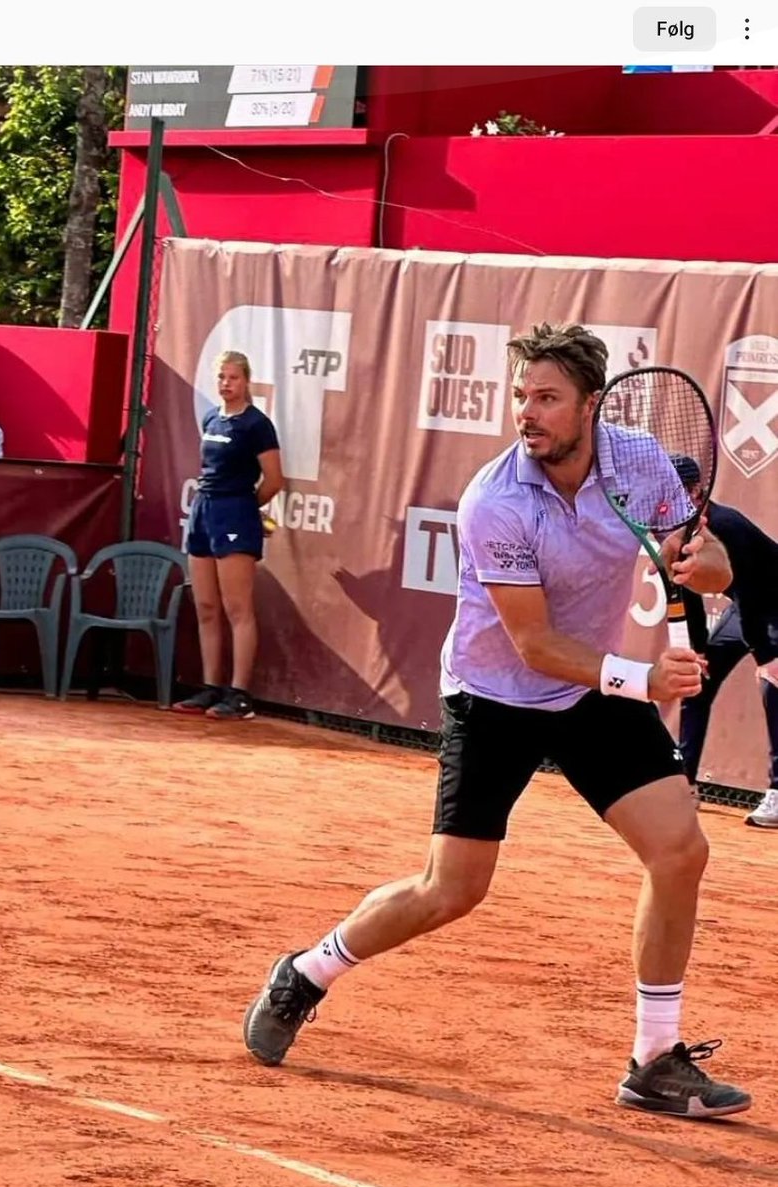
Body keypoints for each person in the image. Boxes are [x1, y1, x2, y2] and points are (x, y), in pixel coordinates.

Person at [242, 323, 752, 1119]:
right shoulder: (495, 499)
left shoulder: (639, 460)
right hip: (494, 697)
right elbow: (533, 644)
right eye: (520, 396)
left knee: (680, 850)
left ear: (590, 405)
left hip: (589, 693)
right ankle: (308, 972)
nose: (526, 412)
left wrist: (705, 562)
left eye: (545, 397)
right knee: (451, 890)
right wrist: (646, 677)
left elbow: (697, 548)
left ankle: (653, 1057)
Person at [171, 350, 284, 720]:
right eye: (221, 377)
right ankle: (211, 687)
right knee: (205, 606)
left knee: (238, 608)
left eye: (233, 378)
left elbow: (274, 479)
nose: (226, 384)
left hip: (236, 513)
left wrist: (245, 507)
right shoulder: (211, 418)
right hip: (203, 511)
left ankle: (239, 694)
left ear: (246, 381)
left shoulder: (257, 425)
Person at [670, 455, 778, 828]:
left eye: (681, 492)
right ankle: (684, 783)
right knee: (697, 682)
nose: (673, 501)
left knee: (773, 686)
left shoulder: (726, 525)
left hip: (771, 602)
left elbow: (751, 592)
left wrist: (767, 657)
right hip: (748, 607)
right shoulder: (674, 528)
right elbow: (688, 593)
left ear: (698, 492)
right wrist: (698, 650)